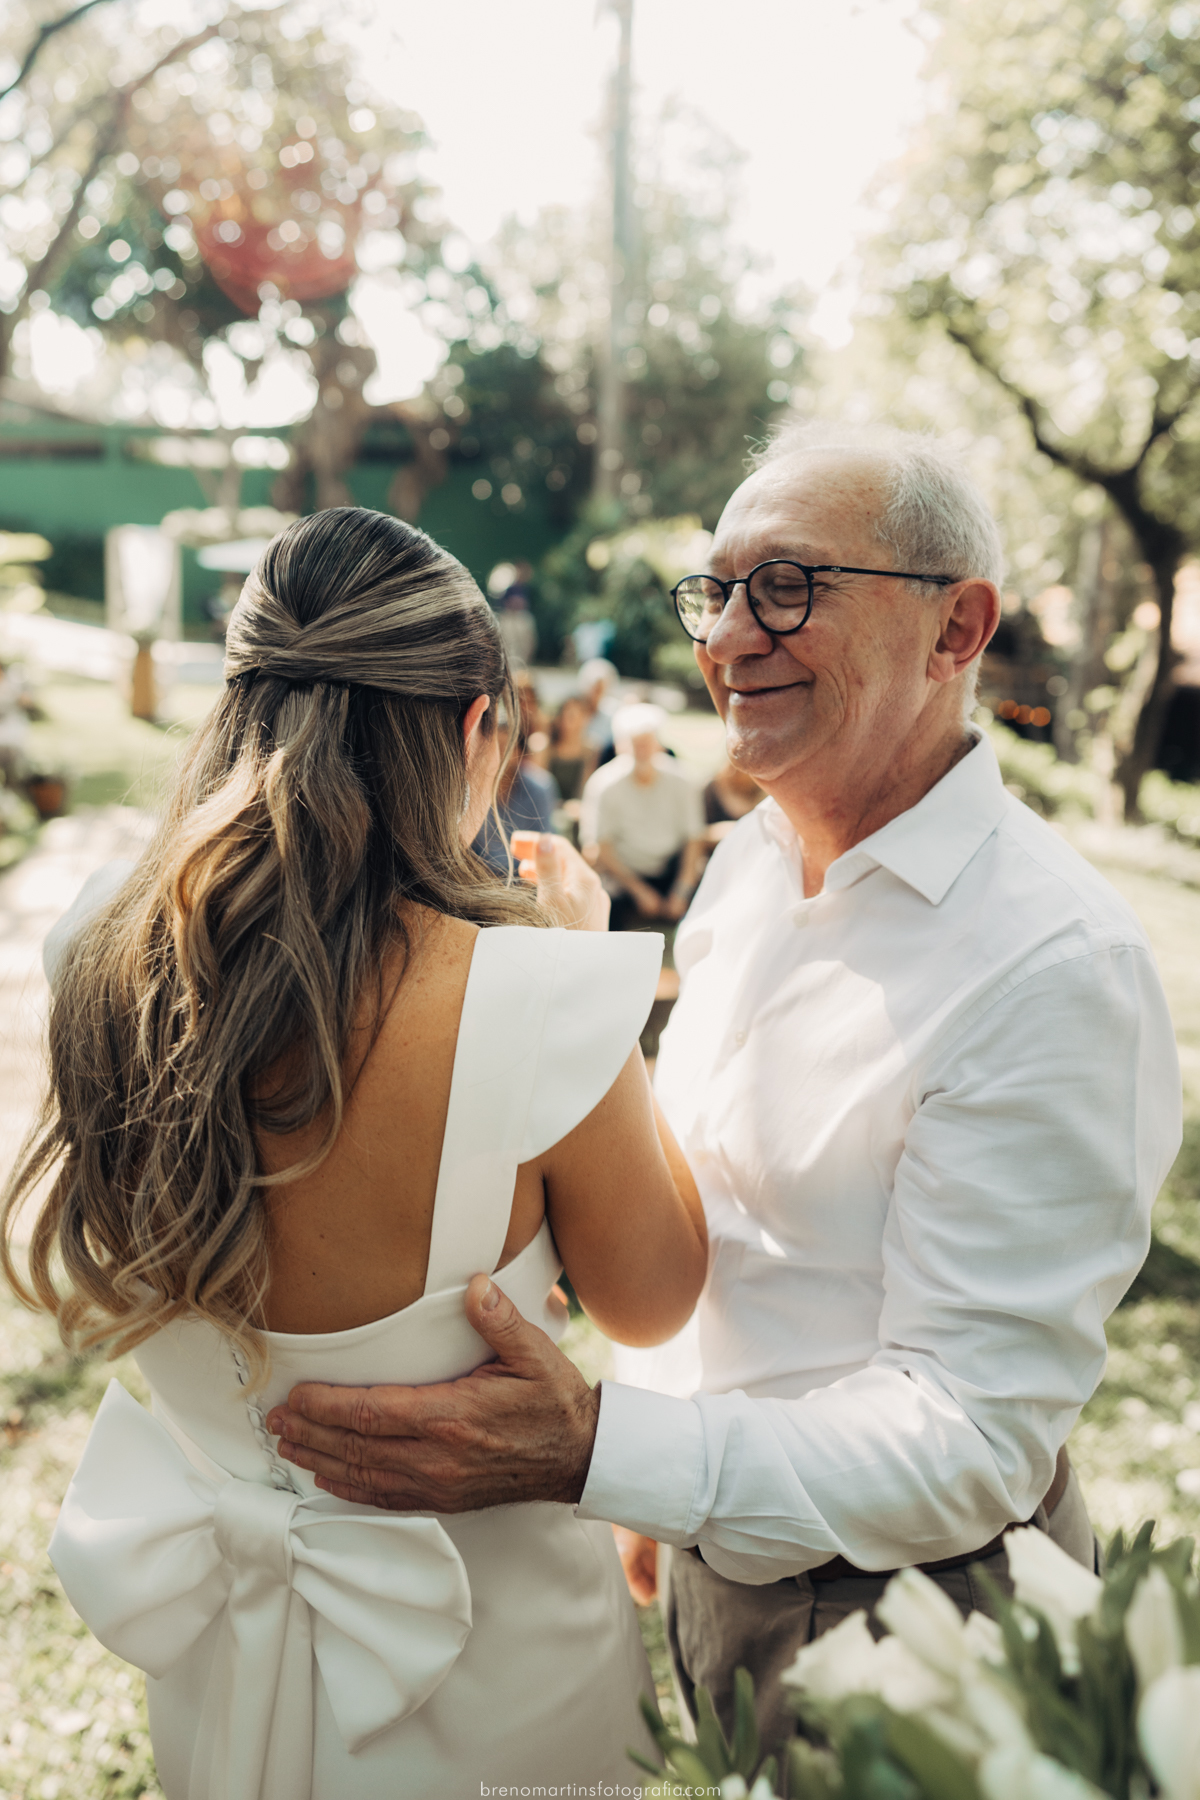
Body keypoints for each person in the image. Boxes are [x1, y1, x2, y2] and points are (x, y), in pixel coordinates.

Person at [255, 429, 1182, 1753]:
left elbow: (971, 1436)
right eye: (718, 591)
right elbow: (717, 1199)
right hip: (703, 1555)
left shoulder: (1053, 966)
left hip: (920, 1629)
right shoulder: (745, 864)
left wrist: (600, 1453)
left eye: (790, 586)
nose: (731, 637)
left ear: (956, 628)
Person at [3, 507, 708, 1799]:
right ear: (469, 732)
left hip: (218, 1662)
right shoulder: (538, 992)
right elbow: (653, 1303)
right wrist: (585, 972)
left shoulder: (91, 949)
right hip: (498, 1675)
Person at [580, 702, 707, 931]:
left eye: (646, 743)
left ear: (658, 744)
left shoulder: (683, 780)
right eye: (634, 744)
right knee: (602, 898)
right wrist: (638, 890)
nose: (641, 751)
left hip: (670, 869)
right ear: (620, 746)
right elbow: (600, 848)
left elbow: (693, 839)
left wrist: (682, 889)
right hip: (623, 875)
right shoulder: (603, 784)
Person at [472, 679, 561, 873]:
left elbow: (545, 847)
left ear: (520, 751)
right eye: (495, 747)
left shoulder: (540, 787)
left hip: (523, 882)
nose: (500, 755)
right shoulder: (470, 788)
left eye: (507, 748)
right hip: (476, 884)